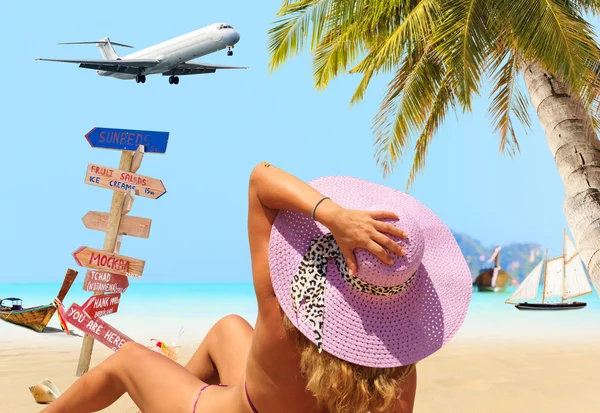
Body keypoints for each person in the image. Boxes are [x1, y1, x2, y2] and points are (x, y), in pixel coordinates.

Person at [40, 162, 472, 413]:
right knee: (227, 328)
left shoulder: (279, 317)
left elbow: (260, 181)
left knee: (129, 359)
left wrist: (336, 217)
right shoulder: (399, 368)